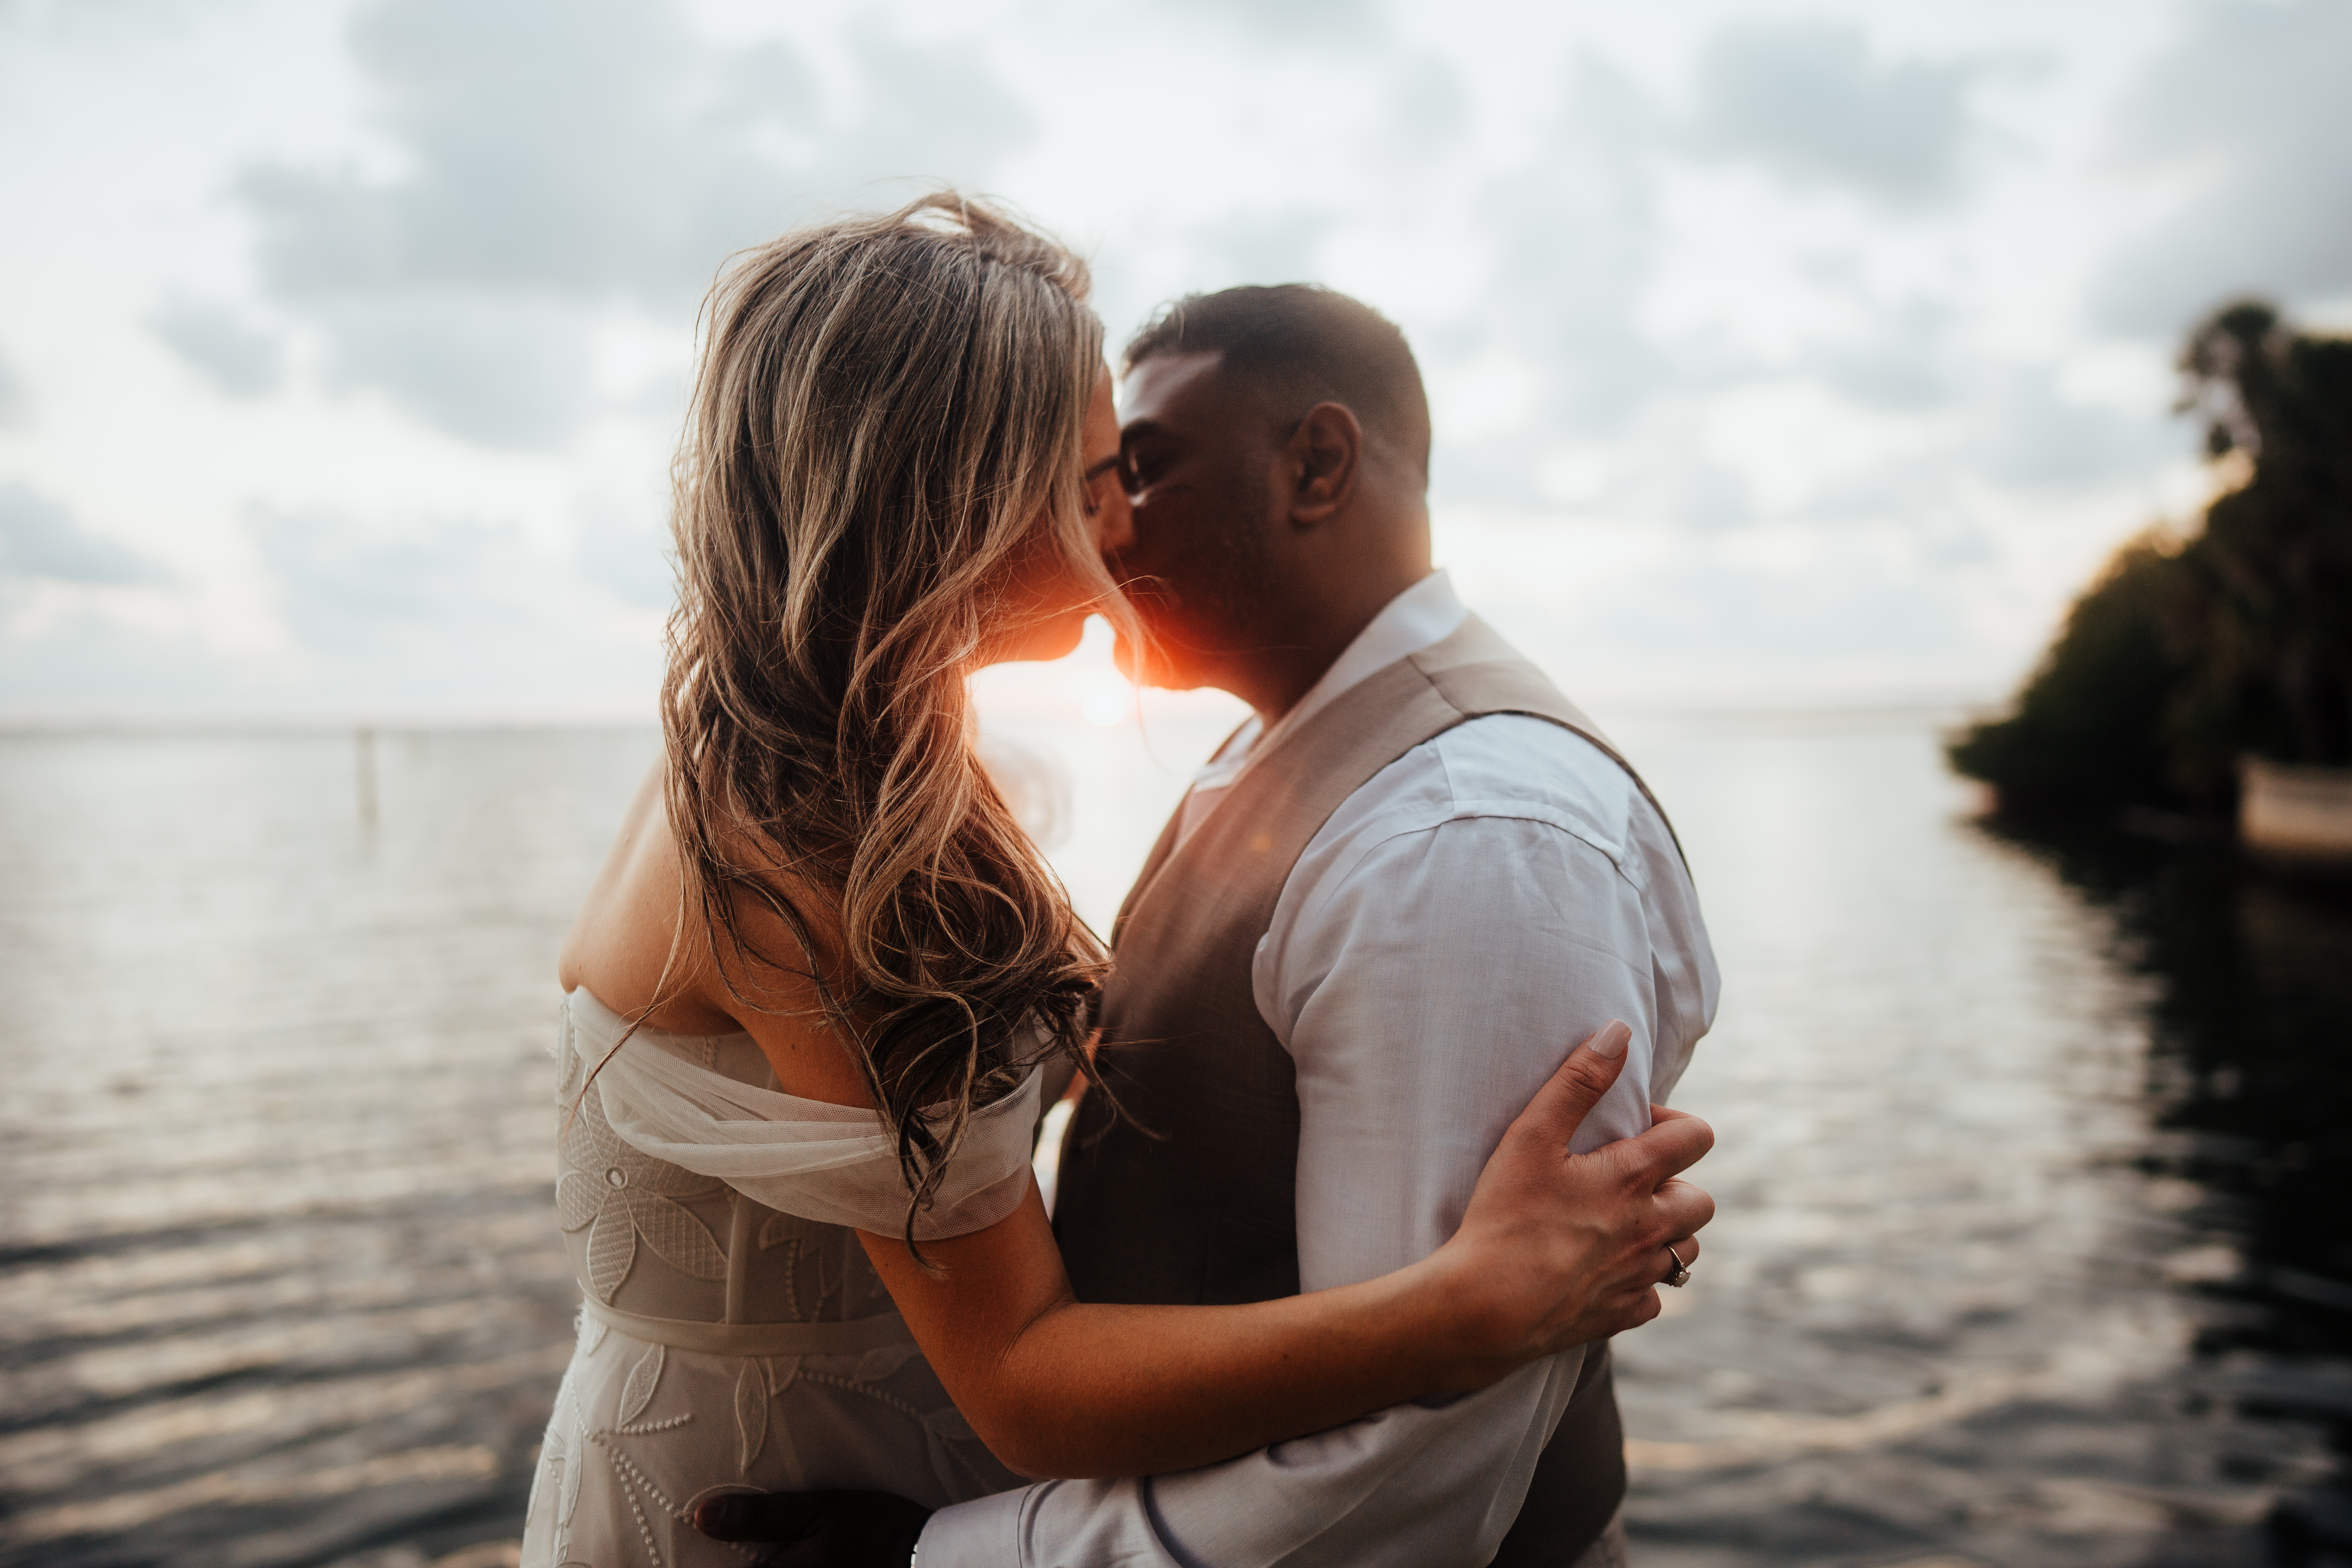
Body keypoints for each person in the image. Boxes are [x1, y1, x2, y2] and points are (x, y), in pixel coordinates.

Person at [520, 195, 1714, 1568]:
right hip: (760, 1491)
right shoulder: (815, 838)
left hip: (919, 1477)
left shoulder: (824, 761)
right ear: (958, 489)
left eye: (1131, 471)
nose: (1116, 535)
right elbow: (1022, 1369)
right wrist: (1472, 1303)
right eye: (1095, 476)